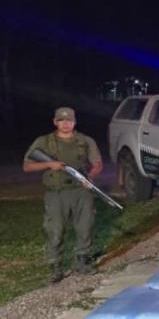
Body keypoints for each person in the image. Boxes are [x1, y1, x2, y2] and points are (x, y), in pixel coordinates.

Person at [23, 107, 103, 282]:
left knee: (85, 227)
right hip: (56, 193)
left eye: (69, 121)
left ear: (75, 122)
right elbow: (27, 166)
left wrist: (90, 177)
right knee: (55, 230)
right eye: (61, 120)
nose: (65, 124)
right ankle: (56, 267)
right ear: (55, 122)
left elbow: (97, 163)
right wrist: (49, 164)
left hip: (81, 191)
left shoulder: (85, 140)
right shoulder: (44, 141)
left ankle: (82, 262)